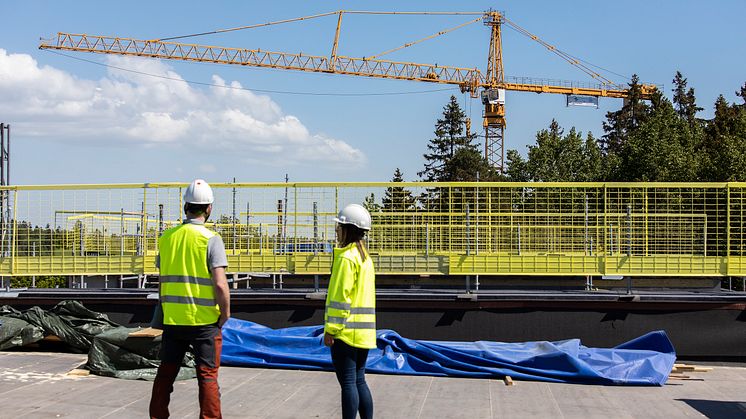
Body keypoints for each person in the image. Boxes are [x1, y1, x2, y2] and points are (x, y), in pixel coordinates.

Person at [149, 179, 230, 419]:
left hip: (174, 321)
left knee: (166, 373)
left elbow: (163, 281)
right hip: (204, 322)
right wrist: (225, 314)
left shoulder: (167, 238)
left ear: (185, 206)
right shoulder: (210, 239)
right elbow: (219, 283)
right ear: (209, 208)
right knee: (207, 375)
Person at [324, 203, 376, 419]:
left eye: (339, 227)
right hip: (363, 333)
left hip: (345, 332)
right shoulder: (365, 257)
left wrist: (331, 330)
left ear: (348, 229)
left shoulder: (346, 258)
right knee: (359, 380)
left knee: (348, 383)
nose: (337, 231)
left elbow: (340, 298)